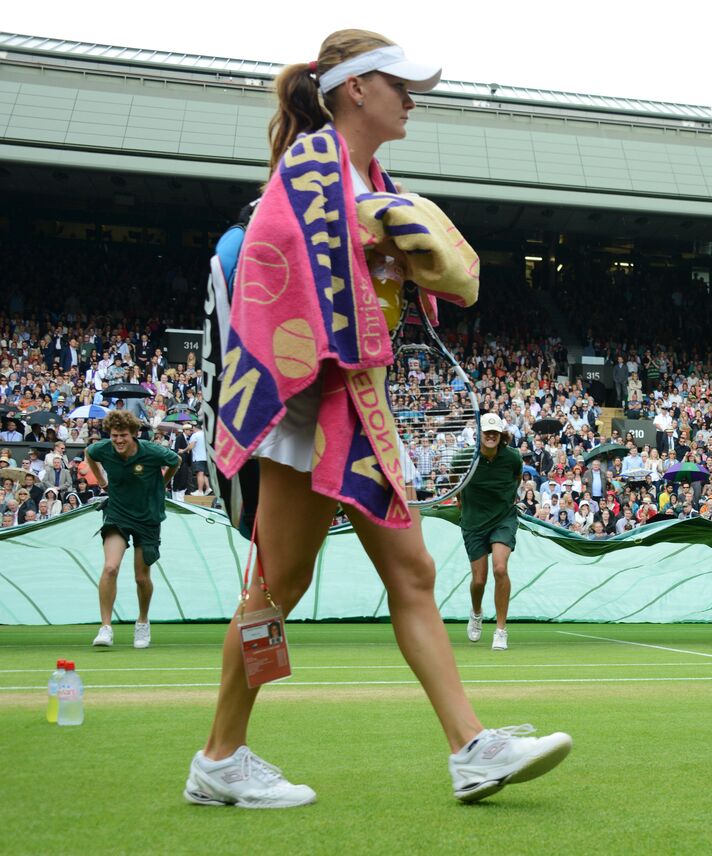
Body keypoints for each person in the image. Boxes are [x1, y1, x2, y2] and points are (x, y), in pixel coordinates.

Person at [186, 30, 569, 811]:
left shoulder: (359, 178)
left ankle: (468, 746)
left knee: (403, 574)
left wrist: (383, 257)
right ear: (355, 89)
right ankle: (220, 757)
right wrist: (371, 245)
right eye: (399, 84)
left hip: (351, 399)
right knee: (278, 587)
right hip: (308, 406)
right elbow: (278, 265)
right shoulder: (314, 171)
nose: (411, 97)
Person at [85, 409, 180, 649]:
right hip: (117, 514)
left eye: (123, 435)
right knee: (110, 567)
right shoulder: (103, 449)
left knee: (141, 577)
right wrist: (102, 481)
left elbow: (175, 461)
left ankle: (142, 622)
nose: (118, 440)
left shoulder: (152, 451)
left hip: (148, 517)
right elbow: (89, 453)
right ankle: (105, 628)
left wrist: (163, 483)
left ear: (134, 434)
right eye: (115, 435)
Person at [460, 412, 523, 651]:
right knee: (479, 580)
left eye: (495, 432)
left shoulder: (513, 457)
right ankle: (476, 613)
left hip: (503, 519)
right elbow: (456, 482)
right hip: (473, 522)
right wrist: (462, 502)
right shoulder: (465, 458)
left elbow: (516, 478)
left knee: (500, 567)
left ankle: (500, 631)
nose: (491, 436)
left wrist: (505, 500)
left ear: (500, 435)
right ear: (479, 434)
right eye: (487, 431)